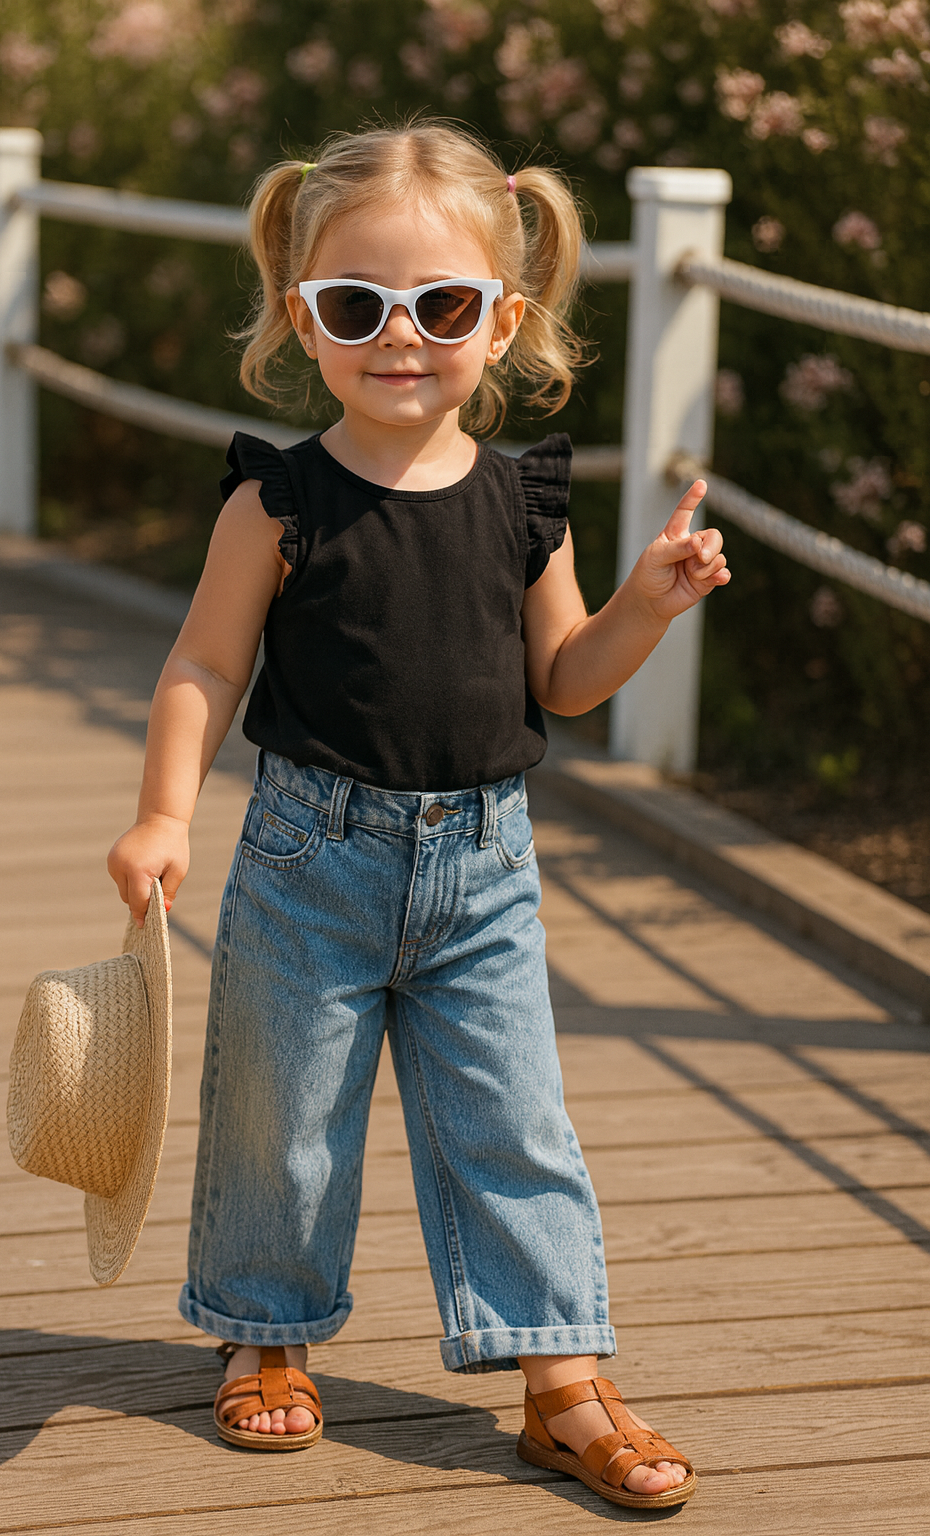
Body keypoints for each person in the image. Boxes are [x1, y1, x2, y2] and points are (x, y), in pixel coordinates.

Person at [108, 120, 729, 1511]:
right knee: (283, 1116)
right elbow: (205, 666)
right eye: (356, 307)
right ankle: (267, 1335)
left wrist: (647, 604)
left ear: (502, 319)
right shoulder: (279, 500)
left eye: (441, 306)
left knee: (516, 1123)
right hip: (306, 859)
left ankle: (560, 1380)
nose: (401, 339)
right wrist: (162, 814)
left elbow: (563, 680)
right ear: (302, 320)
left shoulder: (525, 502)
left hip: (484, 868)